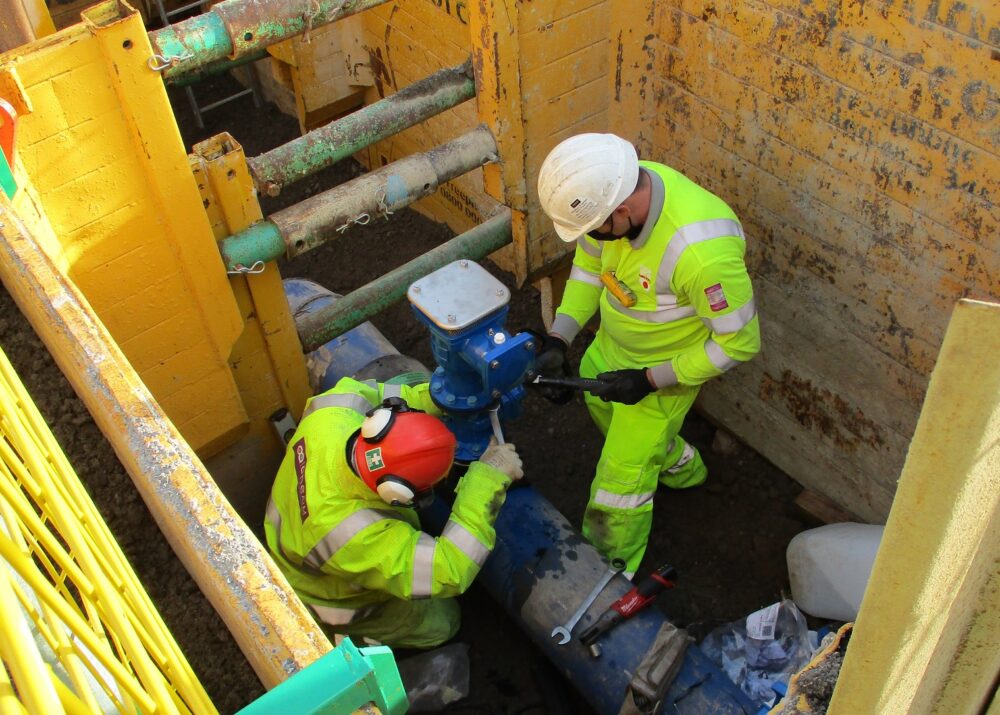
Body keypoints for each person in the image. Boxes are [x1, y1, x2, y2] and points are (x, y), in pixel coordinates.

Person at [534, 133, 760, 577]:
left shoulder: (700, 254)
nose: (591, 239)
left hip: (663, 373)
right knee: (602, 406)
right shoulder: (614, 193)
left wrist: (649, 381)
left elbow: (740, 343)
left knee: (617, 491)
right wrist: (559, 339)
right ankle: (680, 466)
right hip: (612, 349)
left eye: (594, 229)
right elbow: (588, 269)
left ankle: (605, 575)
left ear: (622, 210)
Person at [264, 376, 523, 649]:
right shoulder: (353, 534)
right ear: (399, 496)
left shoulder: (332, 413)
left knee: (411, 378)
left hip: (290, 529)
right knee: (443, 622)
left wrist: (441, 400)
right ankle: (352, 642)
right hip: (328, 595)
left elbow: (376, 391)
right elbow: (448, 570)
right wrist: (486, 481)